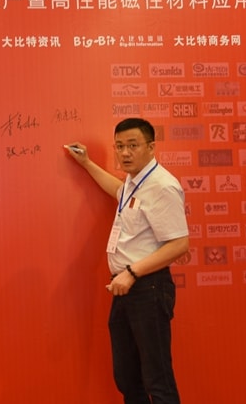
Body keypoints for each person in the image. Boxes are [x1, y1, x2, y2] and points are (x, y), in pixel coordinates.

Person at [65, 117, 190, 404]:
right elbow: (117, 190)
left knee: (157, 379)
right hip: (124, 288)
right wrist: (87, 163)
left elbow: (180, 244)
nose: (125, 153)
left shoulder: (162, 186)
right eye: (120, 146)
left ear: (151, 147)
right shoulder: (134, 181)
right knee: (126, 376)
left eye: (133, 145)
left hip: (148, 287)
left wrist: (132, 272)